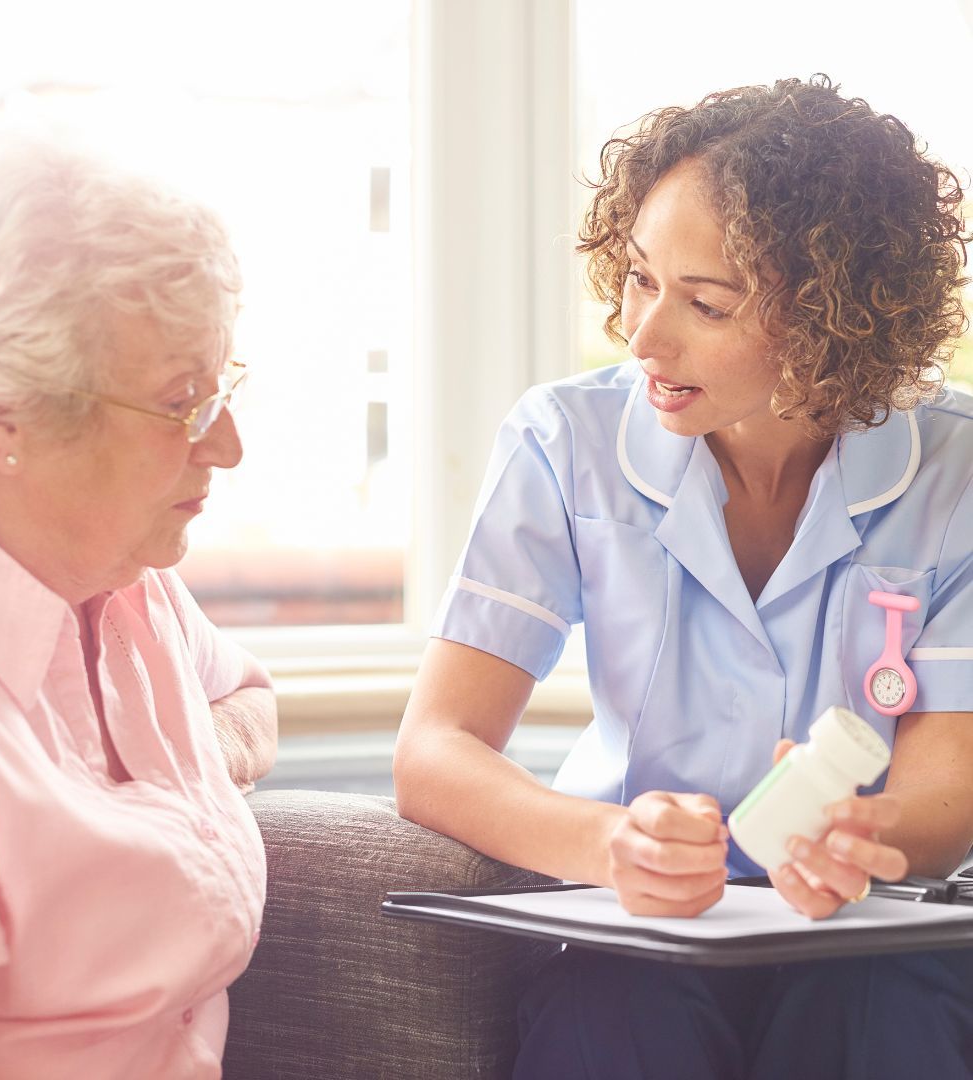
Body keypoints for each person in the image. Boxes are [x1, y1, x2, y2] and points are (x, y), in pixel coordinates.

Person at [394, 75, 973, 1078]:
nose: (645, 335)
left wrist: (868, 832)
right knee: (615, 1014)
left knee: (890, 1002)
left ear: (834, 318)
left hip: (861, 934)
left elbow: (948, 774)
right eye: (639, 277)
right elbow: (435, 749)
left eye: (705, 303)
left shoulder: (954, 472)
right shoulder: (563, 441)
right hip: (635, 936)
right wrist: (608, 844)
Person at [0, 122, 277, 1078]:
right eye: (184, 399)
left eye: (220, 383)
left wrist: (183, 762)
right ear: (4, 416)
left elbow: (248, 701)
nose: (226, 446)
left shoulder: (122, 572)